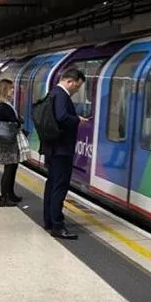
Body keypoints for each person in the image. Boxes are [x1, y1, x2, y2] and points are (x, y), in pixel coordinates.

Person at [40, 67, 88, 239]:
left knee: (52, 184)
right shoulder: (61, 95)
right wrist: (77, 120)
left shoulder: (52, 93)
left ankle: (49, 221)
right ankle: (58, 226)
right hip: (61, 149)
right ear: (69, 81)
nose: (76, 91)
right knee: (59, 186)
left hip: (53, 147)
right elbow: (61, 117)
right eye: (76, 87)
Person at [0, 78, 25, 206]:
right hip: (8, 139)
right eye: (11, 88)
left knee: (12, 166)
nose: (13, 91)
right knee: (9, 168)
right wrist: (18, 120)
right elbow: (11, 119)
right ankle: (4, 197)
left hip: (7, 138)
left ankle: (10, 193)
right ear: (4, 89)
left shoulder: (1, 103)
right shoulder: (2, 105)